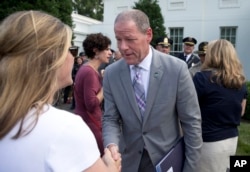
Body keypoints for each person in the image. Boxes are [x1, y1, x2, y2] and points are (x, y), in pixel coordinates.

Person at [0, 10, 120, 172]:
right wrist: (111, 168)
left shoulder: (10, 117)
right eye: (71, 50)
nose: (73, 57)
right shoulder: (64, 129)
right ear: (52, 58)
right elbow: (91, 103)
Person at [102, 9, 202, 172]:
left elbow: (191, 123)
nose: (122, 47)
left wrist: (190, 168)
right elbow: (110, 118)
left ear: (148, 35)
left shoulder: (176, 70)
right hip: (128, 163)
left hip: (167, 161)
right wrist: (111, 144)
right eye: (118, 39)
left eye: (130, 39)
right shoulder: (111, 74)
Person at [193, 39, 247, 172]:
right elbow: (241, 112)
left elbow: (188, 111)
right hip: (231, 140)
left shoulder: (202, 78)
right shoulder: (240, 81)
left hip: (208, 143)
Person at [74, 33, 112, 156]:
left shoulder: (86, 69)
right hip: (91, 123)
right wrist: (105, 85)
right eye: (106, 49)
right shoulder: (89, 72)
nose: (110, 53)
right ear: (96, 51)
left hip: (86, 122)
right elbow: (91, 104)